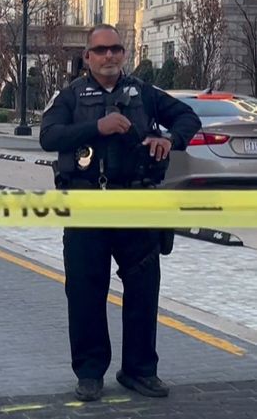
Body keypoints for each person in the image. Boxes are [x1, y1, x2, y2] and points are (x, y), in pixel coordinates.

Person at [39, 24, 200, 402]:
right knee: (84, 292)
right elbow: (49, 136)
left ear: (123, 54)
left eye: (116, 49)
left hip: (136, 204)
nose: (109, 56)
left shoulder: (143, 93)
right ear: (88, 57)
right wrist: (99, 126)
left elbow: (188, 118)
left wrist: (170, 139)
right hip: (87, 206)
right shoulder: (71, 96)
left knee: (144, 291)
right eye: (101, 50)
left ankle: (140, 371)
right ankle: (90, 373)